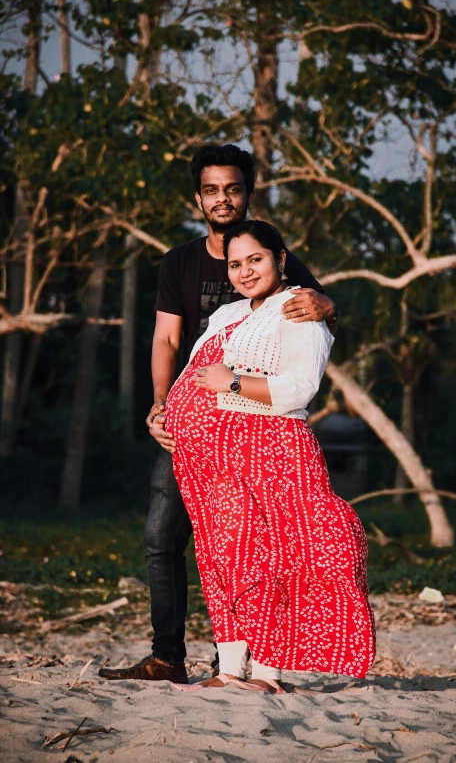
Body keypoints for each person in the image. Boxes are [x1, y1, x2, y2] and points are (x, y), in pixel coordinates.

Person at [99, 144, 338, 685]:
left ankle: (254, 667)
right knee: (166, 537)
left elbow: (311, 318)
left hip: (259, 430)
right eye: (212, 189)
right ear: (199, 198)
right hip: (194, 433)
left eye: (233, 188)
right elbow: (167, 338)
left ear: (248, 194)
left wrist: (329, 303)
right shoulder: (180, 261)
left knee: (255, 546)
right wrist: (161, 406)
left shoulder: (276, 255)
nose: (223, 198)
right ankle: (168, 658)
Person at [165, 220, 375, 693]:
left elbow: (301, 387)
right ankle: (229, 671)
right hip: (210, 460)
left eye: (255, 259)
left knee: (271, 558)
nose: (244, 271)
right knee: (224, 559)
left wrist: (233, 384)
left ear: (280, 259)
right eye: (235, 264)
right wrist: (166, 413)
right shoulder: (226, 315)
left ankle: (268, 675)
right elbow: (196, 370)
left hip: (270, 448)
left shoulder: (300, 307)